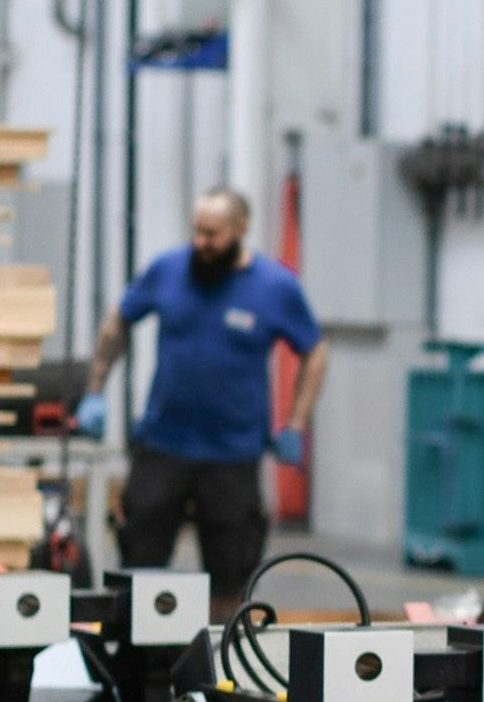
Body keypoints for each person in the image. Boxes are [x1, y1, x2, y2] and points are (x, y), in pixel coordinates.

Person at [76, 187, 322, 601]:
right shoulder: (168, 270)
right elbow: (118, 321)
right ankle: (140, 665)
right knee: (138, 573)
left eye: (213, 234)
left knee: (230, 580)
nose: (201, 243)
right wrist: (95, 387)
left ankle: (221, 663)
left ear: (242, 229)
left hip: (233, 456)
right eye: (197, 231)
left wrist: (296, 421)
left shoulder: (276, 287)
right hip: (163, 447)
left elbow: (315, 352)